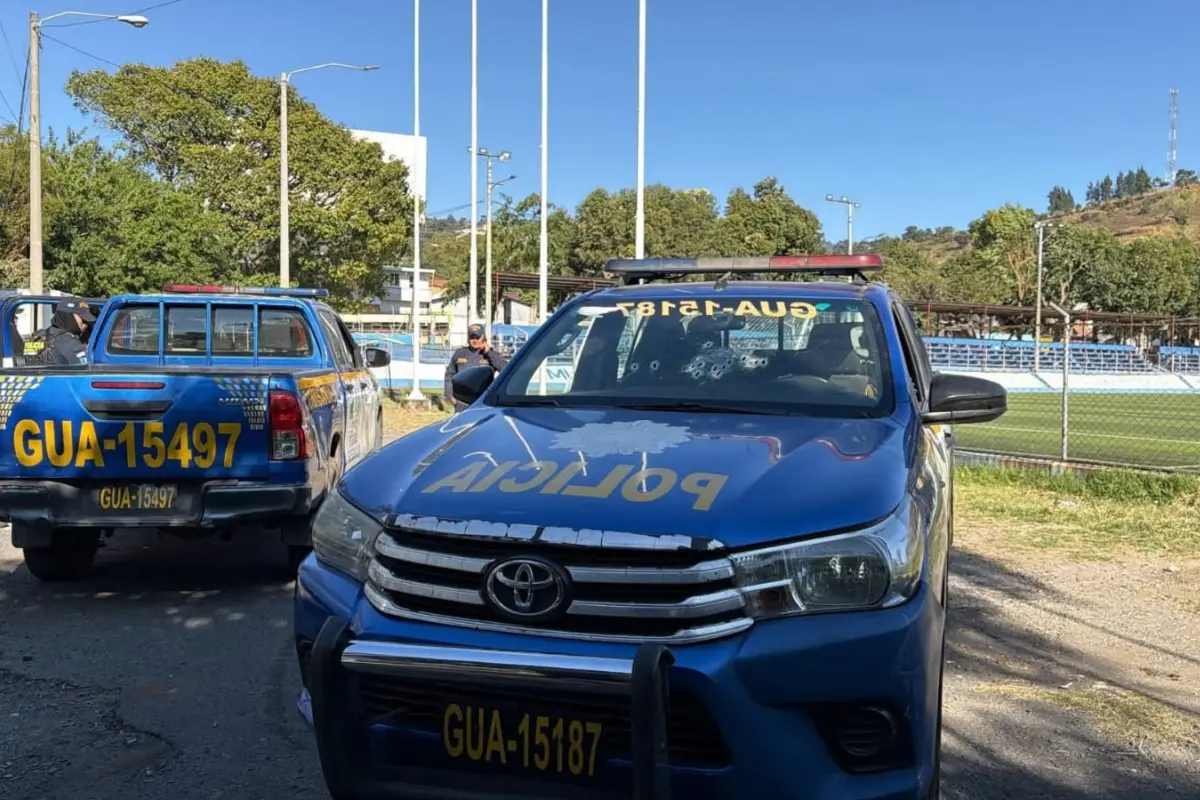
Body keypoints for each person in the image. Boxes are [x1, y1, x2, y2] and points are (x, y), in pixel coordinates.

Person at [444, 323, 508, 412]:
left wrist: (489, 353)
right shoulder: (460, 353)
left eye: (477, 337)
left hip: (483, 403)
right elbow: (449, 375)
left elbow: (506, 369)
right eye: (472, 337)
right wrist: (450, 395)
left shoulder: (491, 354)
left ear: (483, 337)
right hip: (462, 403)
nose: (474, 340)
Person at [39, 299, 96, 365]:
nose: (86, 323)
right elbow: (85, 369)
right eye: (83, 318)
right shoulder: (71, 344)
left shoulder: (44, 334)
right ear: (69, 317)